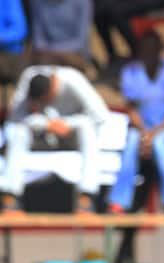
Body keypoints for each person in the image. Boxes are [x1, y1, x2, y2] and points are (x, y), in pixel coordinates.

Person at [0, 66, 110, 214]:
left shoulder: (72, 80)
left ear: (52, 88)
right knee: (17, 132)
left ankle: (86, 197)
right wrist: (46, 124)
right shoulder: (28, 78)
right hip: (40, 137)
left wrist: (67, 124)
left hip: (71, 136)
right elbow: (14, 119)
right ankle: (10, 197)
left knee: (87, 131)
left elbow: (101, 116)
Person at [107, 31, 164, 215]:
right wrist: (145, 132)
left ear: (160, 49)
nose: (149, 52)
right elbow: (132, 108)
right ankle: (119, 201)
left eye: (153, 48)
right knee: (130, 145)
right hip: (141, 128)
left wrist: (155, 133)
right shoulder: (131, 71)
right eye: (146, 48)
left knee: (160, 144)